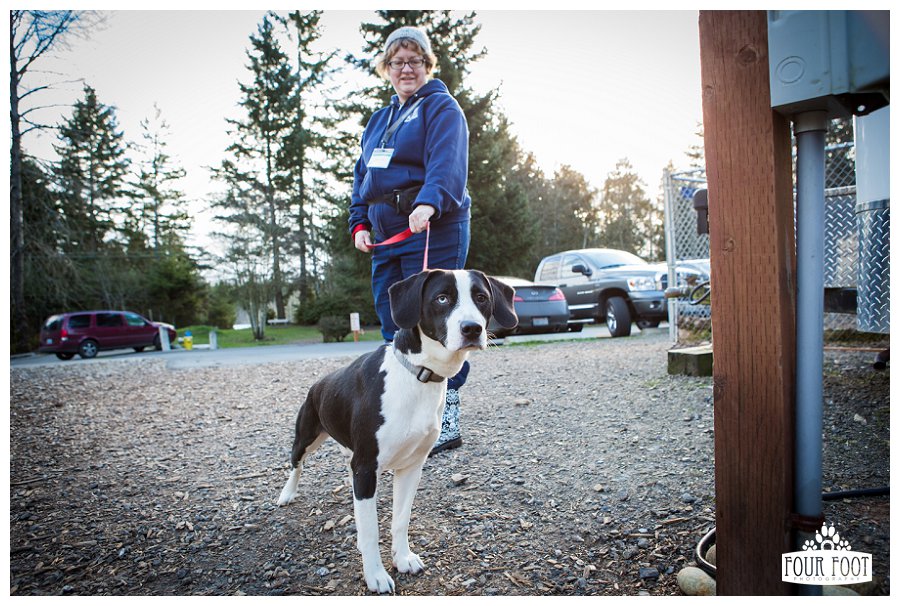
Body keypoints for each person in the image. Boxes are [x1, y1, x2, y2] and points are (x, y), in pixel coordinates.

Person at [349, 26, 471, 456]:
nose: (406, 68)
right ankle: (404, 409)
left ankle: (447, 414)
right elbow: (362, 179)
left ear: (427, 66)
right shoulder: (378, 121)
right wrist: (359, 223)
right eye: (397, 61)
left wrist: (429, 203)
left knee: (438, 323)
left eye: (414, 60)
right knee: (395, 319)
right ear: (386, 68)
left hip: (430, 228)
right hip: (385, 235)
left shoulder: (441, 108)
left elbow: (447, 163)